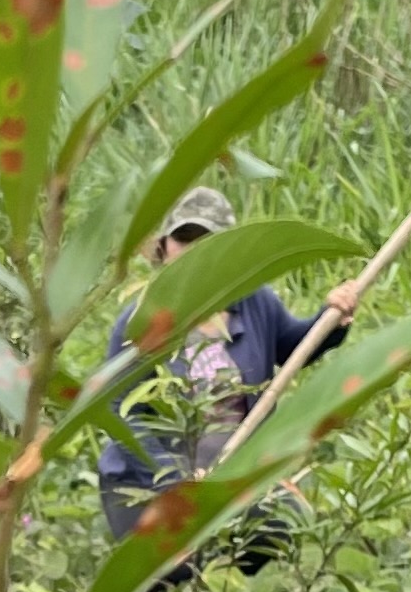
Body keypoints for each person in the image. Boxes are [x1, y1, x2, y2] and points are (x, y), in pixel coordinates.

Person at [97, 186, 359, 543]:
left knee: (285, 526)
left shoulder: (256, 302)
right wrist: (176, 483)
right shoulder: (139, 322)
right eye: (184, 239)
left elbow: (293, 347)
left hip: (233, 478)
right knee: (173, 565)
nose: (194, 251)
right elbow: (121, 412)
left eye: (209, 241)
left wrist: (330, 319)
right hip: (149, 484)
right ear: (164, 246)